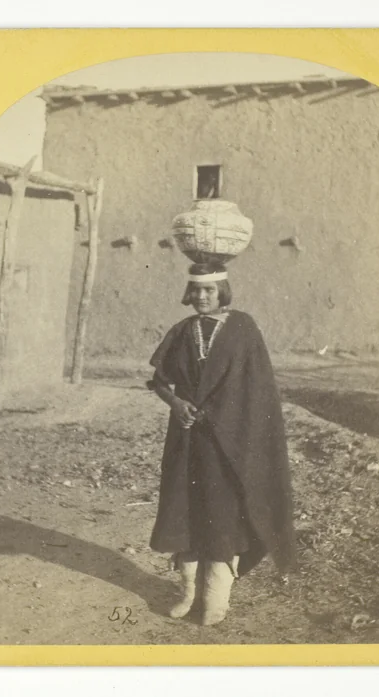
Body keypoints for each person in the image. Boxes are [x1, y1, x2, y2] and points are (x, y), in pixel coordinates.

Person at [146, 261, 295, 626]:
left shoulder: (242, 328)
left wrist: (224, 418)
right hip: (187, 439)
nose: (201, 297)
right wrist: (176, 403)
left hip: (228, 441)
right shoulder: (182, 332)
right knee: (185, 509)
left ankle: (215, 597)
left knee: (221, 512)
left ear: (222, 290)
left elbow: (257, 388)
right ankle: (188, 593)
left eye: (208, 290)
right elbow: (160, 381)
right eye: (195, 290)